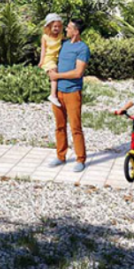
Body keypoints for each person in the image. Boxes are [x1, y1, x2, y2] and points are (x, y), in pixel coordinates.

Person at [46, 18, 91, 172]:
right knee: (59, 126)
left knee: (75, 127)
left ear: (76, 31)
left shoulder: (83, 48)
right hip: (58, 92)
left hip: (73, 92)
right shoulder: (64, 44)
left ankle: (80, 159)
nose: (66, 29)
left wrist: (57, 76)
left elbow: (78, 72)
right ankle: (60, 156)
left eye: (69, 27)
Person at [38, 13, 64, 107]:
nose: (57, 28)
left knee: (55, 72)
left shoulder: (60, 36)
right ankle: (53, 95)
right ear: (49, 27)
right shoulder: (45, 37)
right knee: (54, 73)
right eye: (55, 26)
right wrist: (41, 61)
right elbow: (43, 50)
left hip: (55, 59)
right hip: (48, 59)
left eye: (58, 26)